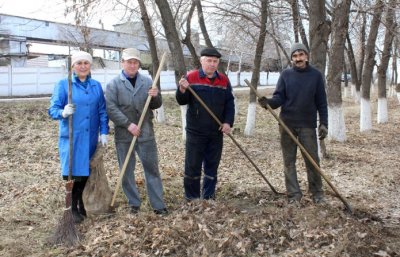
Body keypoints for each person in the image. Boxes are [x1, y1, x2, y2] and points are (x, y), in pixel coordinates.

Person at [258, 42, 328, 205]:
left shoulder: (316, 76)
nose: (298, 58)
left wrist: (324, 123)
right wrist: (268, 102)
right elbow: (279, 98)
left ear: (307, 56)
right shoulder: (286, 75)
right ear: (291, 59)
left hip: (307, 125)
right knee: (289, 161)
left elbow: (322, 103)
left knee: (312, 160)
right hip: (287, 125)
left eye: (301, 55)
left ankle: (317, 194)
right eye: (295, 56)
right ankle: (294, 195)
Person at [48, 51, 109, 223]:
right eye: (79, 63)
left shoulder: (96, 86)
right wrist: (63, 112)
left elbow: (102, 110)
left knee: (86, 172)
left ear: (90, 66)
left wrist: (104, 131)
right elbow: (52, 110)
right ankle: (72, 206)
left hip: (90, 138)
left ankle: (82, 203)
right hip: (72, 137)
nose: (83, 66)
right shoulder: (64, 85)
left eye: (86, 63)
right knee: (73, 173)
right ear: (73, 66)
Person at [105, 48, 167, 215]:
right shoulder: (113, 85)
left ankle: (158, 205)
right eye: (129, 62)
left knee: (151, 169)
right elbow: (111, 108)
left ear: (139, 64)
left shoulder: (147, 82)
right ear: (122, 63)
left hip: (145, 132)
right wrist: (128, 124)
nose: (132, 65)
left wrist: (155, 96)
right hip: (124, 135)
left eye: (135, 62)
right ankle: (134, 203)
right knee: (126, 170)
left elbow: (156, 105)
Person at [177, 47, 235, 201]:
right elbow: (182, 101)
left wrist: (228, 122)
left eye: (215, 61)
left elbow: (230, 103)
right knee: (193, 166)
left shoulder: (223, 80)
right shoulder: (191, 77)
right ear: (202, 61)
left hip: (216, 132)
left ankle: (208, 197)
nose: (212, 64)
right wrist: (182, 89)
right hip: (196, 132)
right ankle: (192, 198)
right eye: (209, 60)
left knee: (212, 166)